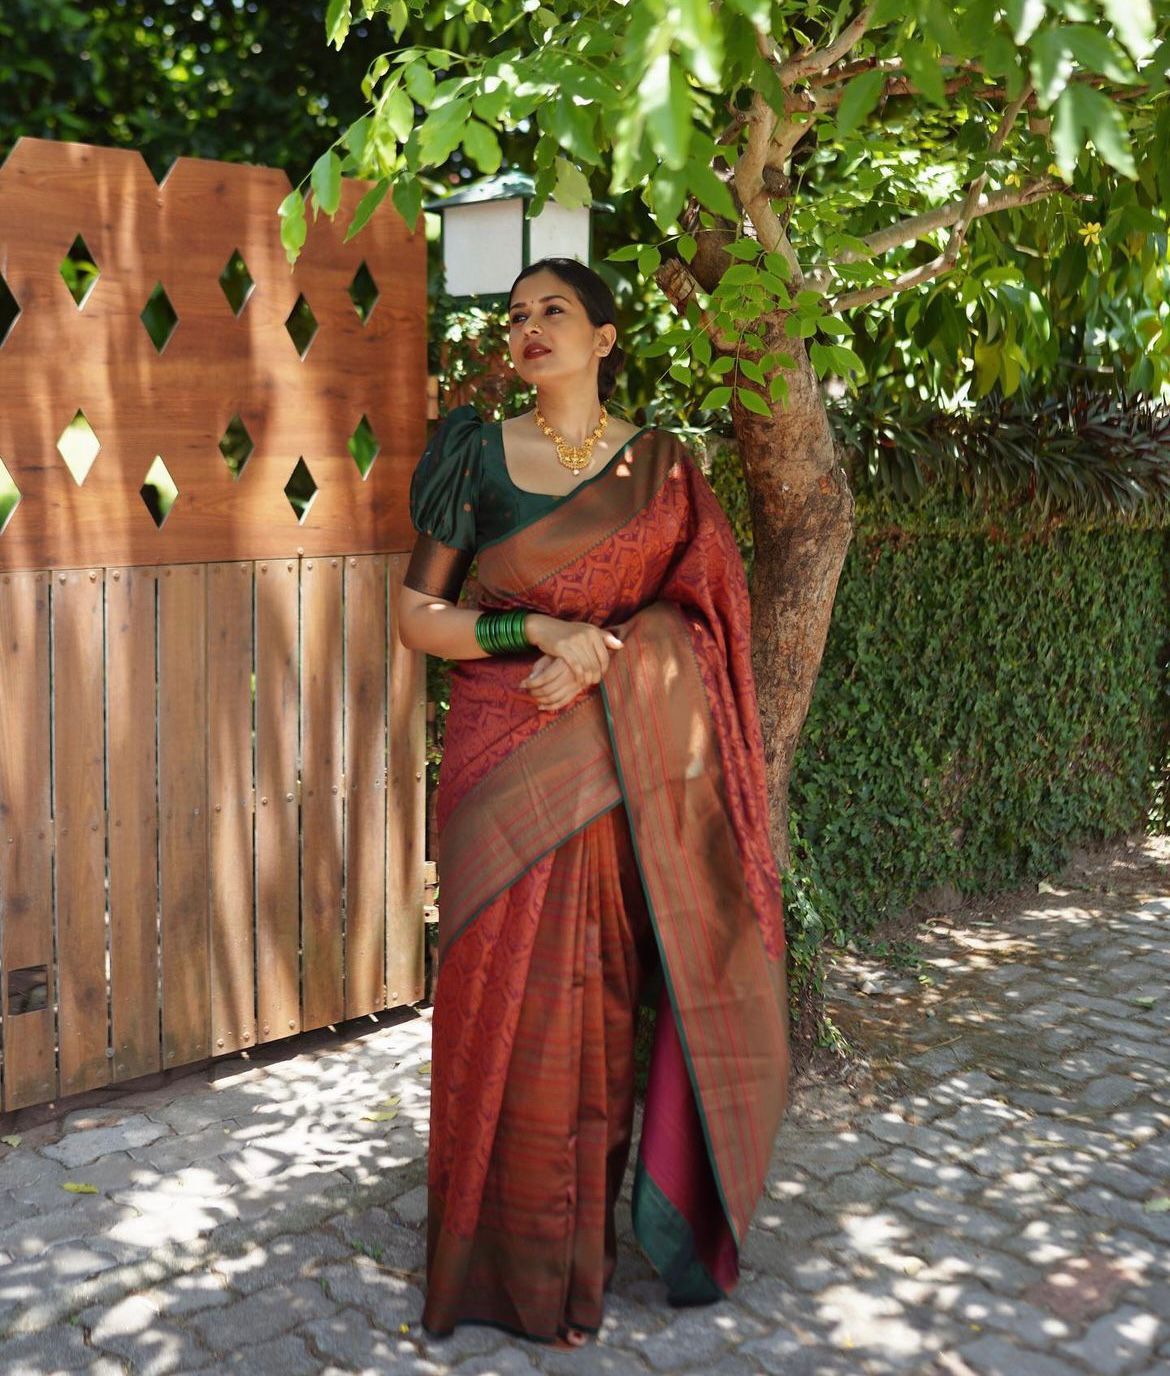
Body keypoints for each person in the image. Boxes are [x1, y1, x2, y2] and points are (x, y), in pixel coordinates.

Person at [396, 256, 790, 1350]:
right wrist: (543, 631)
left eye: (554, 310)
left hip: (616, 776)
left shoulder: (665, 470)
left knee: (597, 1003)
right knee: (494, 1006)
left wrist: (617, 655)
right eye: (517, 315)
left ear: (607, 335)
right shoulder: (471, 451)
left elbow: (703, 620)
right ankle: (487, 1260)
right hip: (496, 759)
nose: (528, 328)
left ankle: (576, 1254)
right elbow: (419, 614)